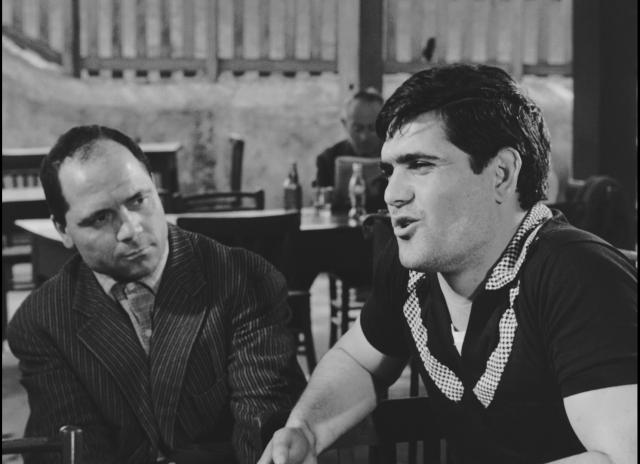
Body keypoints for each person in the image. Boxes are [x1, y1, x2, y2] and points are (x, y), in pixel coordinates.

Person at [258, 64, 637, 463]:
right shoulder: (413, 268)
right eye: (390, 170)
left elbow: (620, 458)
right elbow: (359, 361)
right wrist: (305, 430)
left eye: (420, 165)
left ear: (501, 174)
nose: (392, 193)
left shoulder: (577, 273)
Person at [7, 125, 306, 464]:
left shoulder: (244, 279)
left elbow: (263, 429)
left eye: (138, 200)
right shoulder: (41, 321)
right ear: (63, 229)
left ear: (156, 189)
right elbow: (77, 449)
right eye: (100, 218)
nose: (130, 229)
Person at [315, 88, 387, 212]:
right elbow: (321, 209)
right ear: (345, 124)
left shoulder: (395, 156)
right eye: (358, 128)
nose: (364, 137)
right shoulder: (327, 160)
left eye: (372, 128)